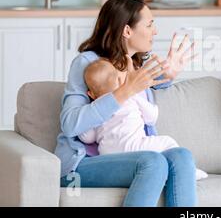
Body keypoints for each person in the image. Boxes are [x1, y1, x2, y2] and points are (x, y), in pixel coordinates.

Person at [54, 0, 199, 207]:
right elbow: (70, 124)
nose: (155, 31)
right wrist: (125, 91)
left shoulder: (135, 66)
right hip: (83, 163)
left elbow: (148, 83)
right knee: (153, 162)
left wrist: (168, 75)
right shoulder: (87, 63)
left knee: (182, 156)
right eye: (149, 25)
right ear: (127, 31)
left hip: (131, 154)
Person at [78, 58, 208, 180]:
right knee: (168, 142)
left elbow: (87, 138)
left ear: (90, 94)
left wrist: (84, 110)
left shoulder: (95, 110)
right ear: (120, 80)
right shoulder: (131, 97)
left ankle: (168, 171)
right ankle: (188, 170)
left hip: (108, 156)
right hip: (135, 146)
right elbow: (152, 118)